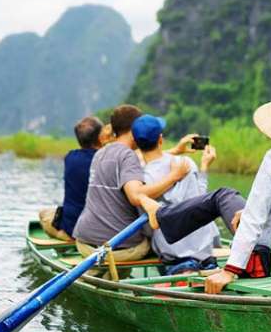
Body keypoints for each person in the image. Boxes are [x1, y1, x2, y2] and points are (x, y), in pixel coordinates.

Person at [146, 88, 271, 294]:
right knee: (232, 202)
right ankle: (162, 216)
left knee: (223, 195)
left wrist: (230, 269)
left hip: (269, 260)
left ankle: (160, 217)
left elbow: (254, 220)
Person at [72, 105, 191, 269]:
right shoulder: (128, 156)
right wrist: (174, 177)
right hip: (117, 248)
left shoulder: (102, 152)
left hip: (84, 241)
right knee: (161, 241)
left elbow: (136, 160)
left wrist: (175, 151)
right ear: (134, 128)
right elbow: (136, 196)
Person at [131, 114, 225, 274]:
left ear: (135, 143)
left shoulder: (137, 178)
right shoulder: (185, 163)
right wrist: (204, 167)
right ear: (160, 139)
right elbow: (201, 201)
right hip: (203, 252)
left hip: (172, 255)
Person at [39, 116, 109, 241]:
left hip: (72, 227)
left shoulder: (70, 158)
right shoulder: (107, 160)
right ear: (100, 137)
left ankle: (65, 237)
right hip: (101, 228)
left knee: (44, 214)